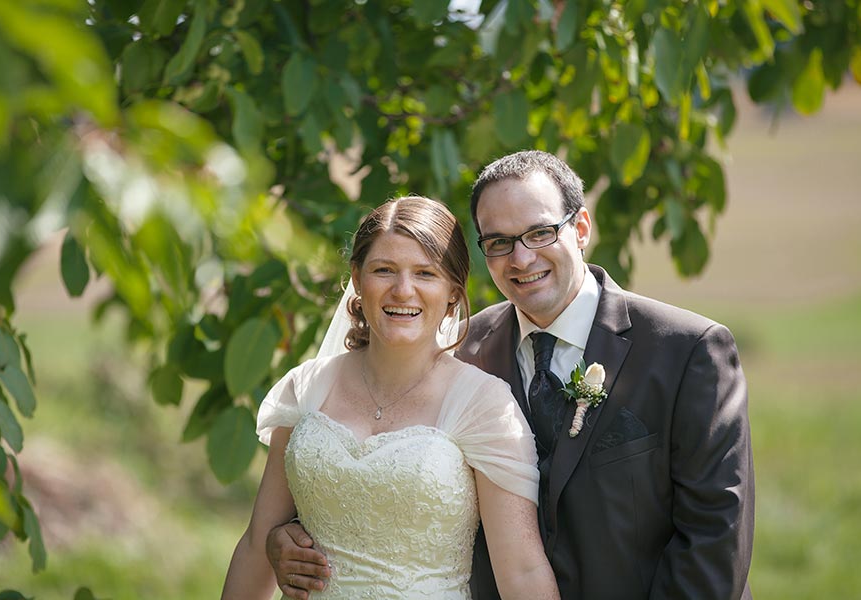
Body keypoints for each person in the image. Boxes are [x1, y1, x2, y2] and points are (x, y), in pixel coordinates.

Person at [266, 151, 755, 600]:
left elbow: (714, 539)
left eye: (540, 233)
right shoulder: (460, 353)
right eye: (499, 242)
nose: (521, 259)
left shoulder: (687, 351)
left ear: (581, 227)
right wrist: (282, 535)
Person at [221, 196, 561, 599]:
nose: (403, 291)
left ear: (453, 292)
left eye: (425, 274)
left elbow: (522, 571)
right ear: (358, 279)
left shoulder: (483, 405)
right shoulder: (308, 387)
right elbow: (257, 543)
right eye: (384, 270)